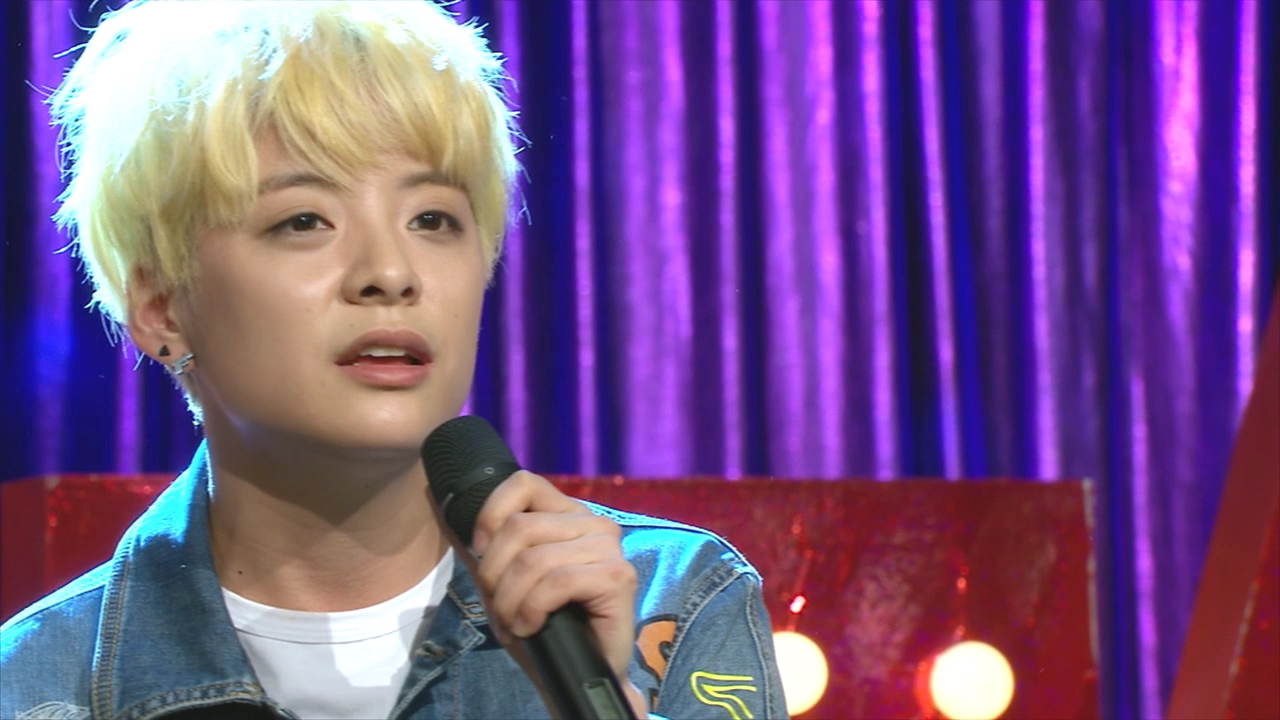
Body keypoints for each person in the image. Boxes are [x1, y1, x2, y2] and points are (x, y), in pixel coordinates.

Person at [0, 2, 786, 719]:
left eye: (433, 219)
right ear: (160, 307)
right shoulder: (38, 688)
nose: (390, 272)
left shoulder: (670, 603)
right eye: (304, 220)